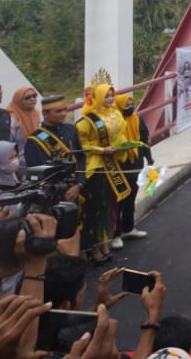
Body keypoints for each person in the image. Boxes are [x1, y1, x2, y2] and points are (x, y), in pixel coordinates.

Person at [75, 83, 130, 264]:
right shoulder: (87, 120)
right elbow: (81, 145)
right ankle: (93, 246)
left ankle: (104, 241)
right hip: (96, 167)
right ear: (97, 98)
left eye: (112, 95)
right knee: (95, 207)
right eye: (106, 96)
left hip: (112, 163)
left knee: (108, 206)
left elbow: (119, 135)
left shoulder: (115, 114)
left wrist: (124, 146)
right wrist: (101, 150)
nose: (110, 99)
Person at [112, 92, 152, 249]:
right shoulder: (115, 123)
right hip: (120, 165)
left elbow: (144, 140)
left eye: (132, 104)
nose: (130, 107)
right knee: (119, 200)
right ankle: (115, 234)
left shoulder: (137, 119)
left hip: (136, 163)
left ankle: (128, 228)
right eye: (126, 105)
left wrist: (149, 157)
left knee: (131, 198)